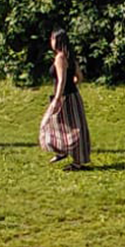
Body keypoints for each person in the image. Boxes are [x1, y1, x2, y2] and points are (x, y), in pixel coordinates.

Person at [39, 31, 90, 168]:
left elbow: (61, 80)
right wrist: (72, 83)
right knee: (60, 125)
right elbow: (79, 77)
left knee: (50, 124)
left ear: (58, 41)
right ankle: (62, 152)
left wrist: (57, 99)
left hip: (65, 98)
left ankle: (76, 162)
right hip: (73, 96)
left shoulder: (60, 58)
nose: (51, 41)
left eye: (52, 38)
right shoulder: (70, 57)